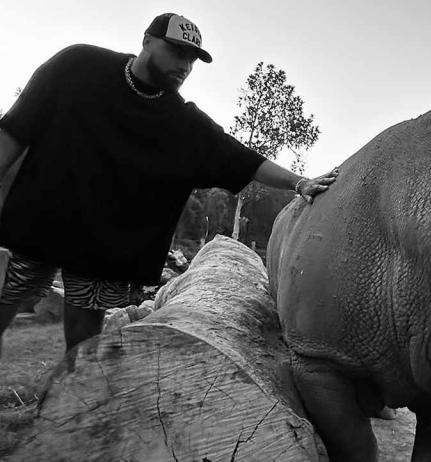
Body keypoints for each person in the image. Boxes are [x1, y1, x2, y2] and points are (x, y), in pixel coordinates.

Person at [0, 13, 336, 358]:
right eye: (177, 51)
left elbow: (243, 158)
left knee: (85, 349)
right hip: (32, 224)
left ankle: (74, 401)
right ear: (146, 41)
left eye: (192, 58)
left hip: (97, 248)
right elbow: (14, 129)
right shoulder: (78, 66)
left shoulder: (179, 121)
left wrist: (299, 182)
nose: (185, 65)